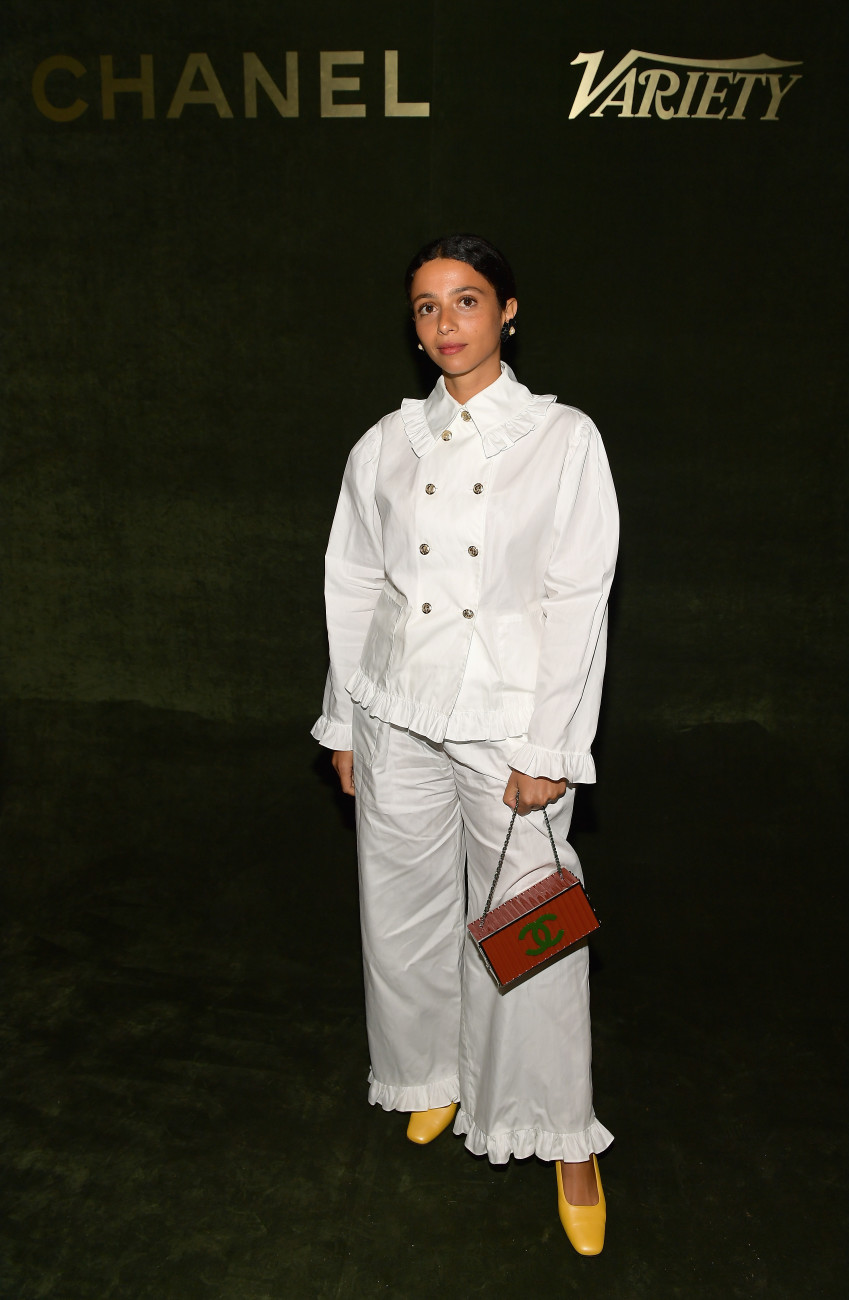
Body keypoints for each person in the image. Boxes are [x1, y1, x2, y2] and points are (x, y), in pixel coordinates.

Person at [312, 233, 619, 1255]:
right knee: (402, 909)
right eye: (428, 308)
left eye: (469, 301)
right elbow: (355, 584)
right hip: (397, 709)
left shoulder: (563, 437)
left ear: (510, 312)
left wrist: (552, 743)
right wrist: (344, 716)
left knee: (535, 918)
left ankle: (562, 1129)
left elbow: (579, 598)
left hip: (509, 724)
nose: (447, 325)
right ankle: (431, 1074)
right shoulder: (384, 445)